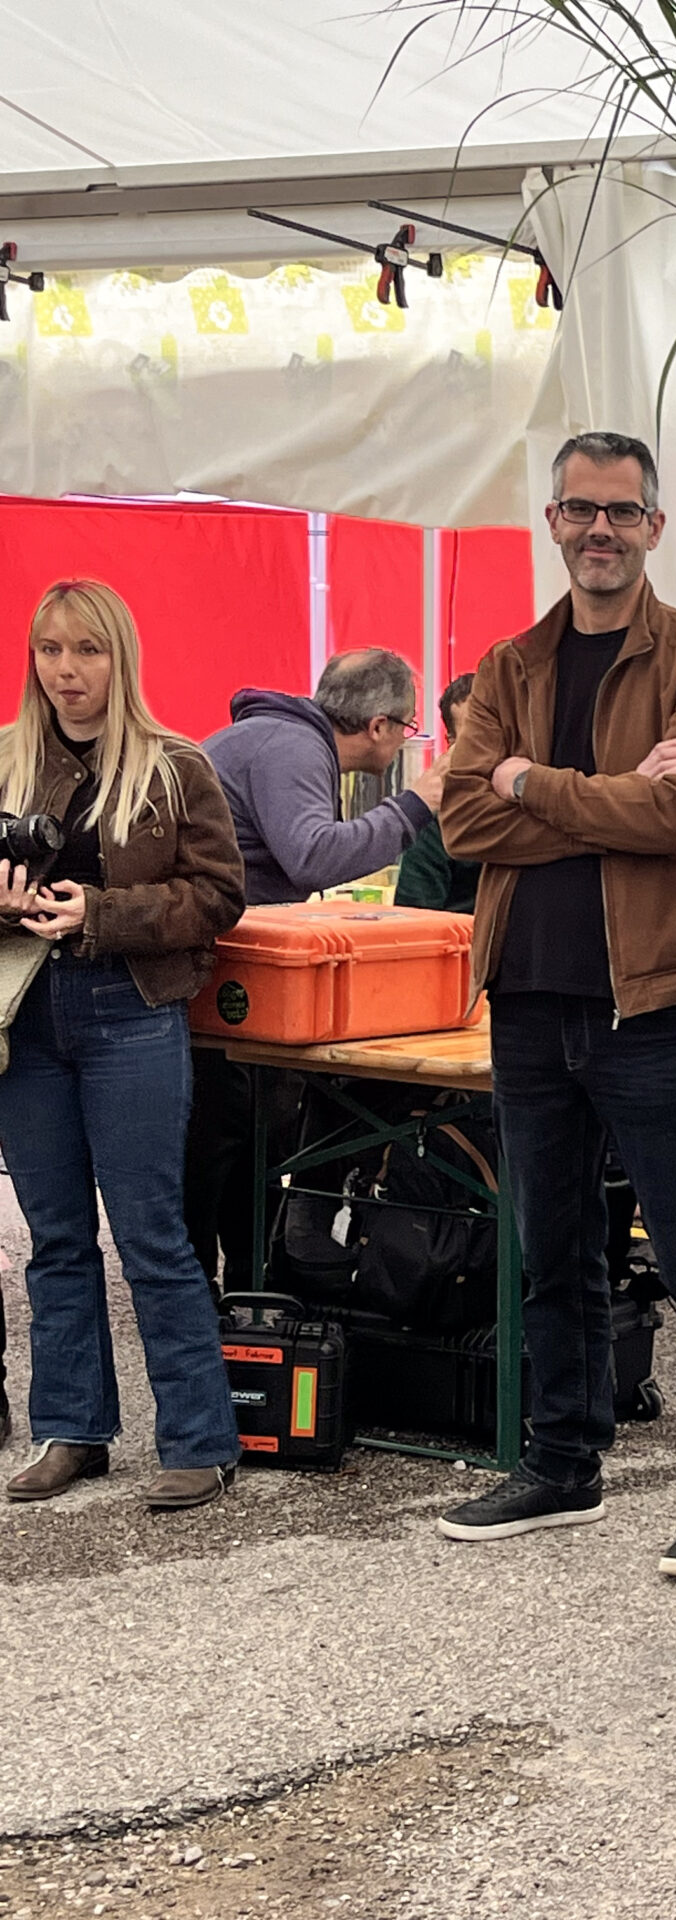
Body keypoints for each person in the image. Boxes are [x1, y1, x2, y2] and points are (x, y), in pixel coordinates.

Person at [432, 430, 676, 1582]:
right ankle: (561, 1464)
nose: (600, 530)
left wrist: (529, 781)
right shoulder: (511, 665)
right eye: (580, 509)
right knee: (553, 1250)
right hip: (528, 997)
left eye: (622, 512)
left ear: (653, 528)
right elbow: (462, 820)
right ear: (553, 522)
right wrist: (605, 796)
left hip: (649, 1004)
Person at [0, 580, 247, 1508]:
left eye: (86, 650)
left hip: (131, 1010)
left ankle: (199, 1440)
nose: (66, 670)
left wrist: (100, 913)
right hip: (26, 1012)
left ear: (121, 658)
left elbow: (219, 896)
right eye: (50, 650)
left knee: (151, 1232)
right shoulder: (6, 761)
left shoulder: (176, 767)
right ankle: (73, 1430)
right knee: (56, 1237)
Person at [189, 646, 448, 1288]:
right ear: (380, 726)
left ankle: (246, 1287)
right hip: (221, 972)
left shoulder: (273, 737)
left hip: (219, 964)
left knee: (235, 1141)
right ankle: (225, 1294)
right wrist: (415, 806)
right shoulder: (294, 749)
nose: (404, 741)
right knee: (230, 1139)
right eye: (408, 727)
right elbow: (311, 856)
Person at [395, 671, 483, 913]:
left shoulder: (543, 806)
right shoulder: (435, 824)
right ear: (452, 744)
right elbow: (416, 920)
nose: (492, 747)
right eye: (477, 737)